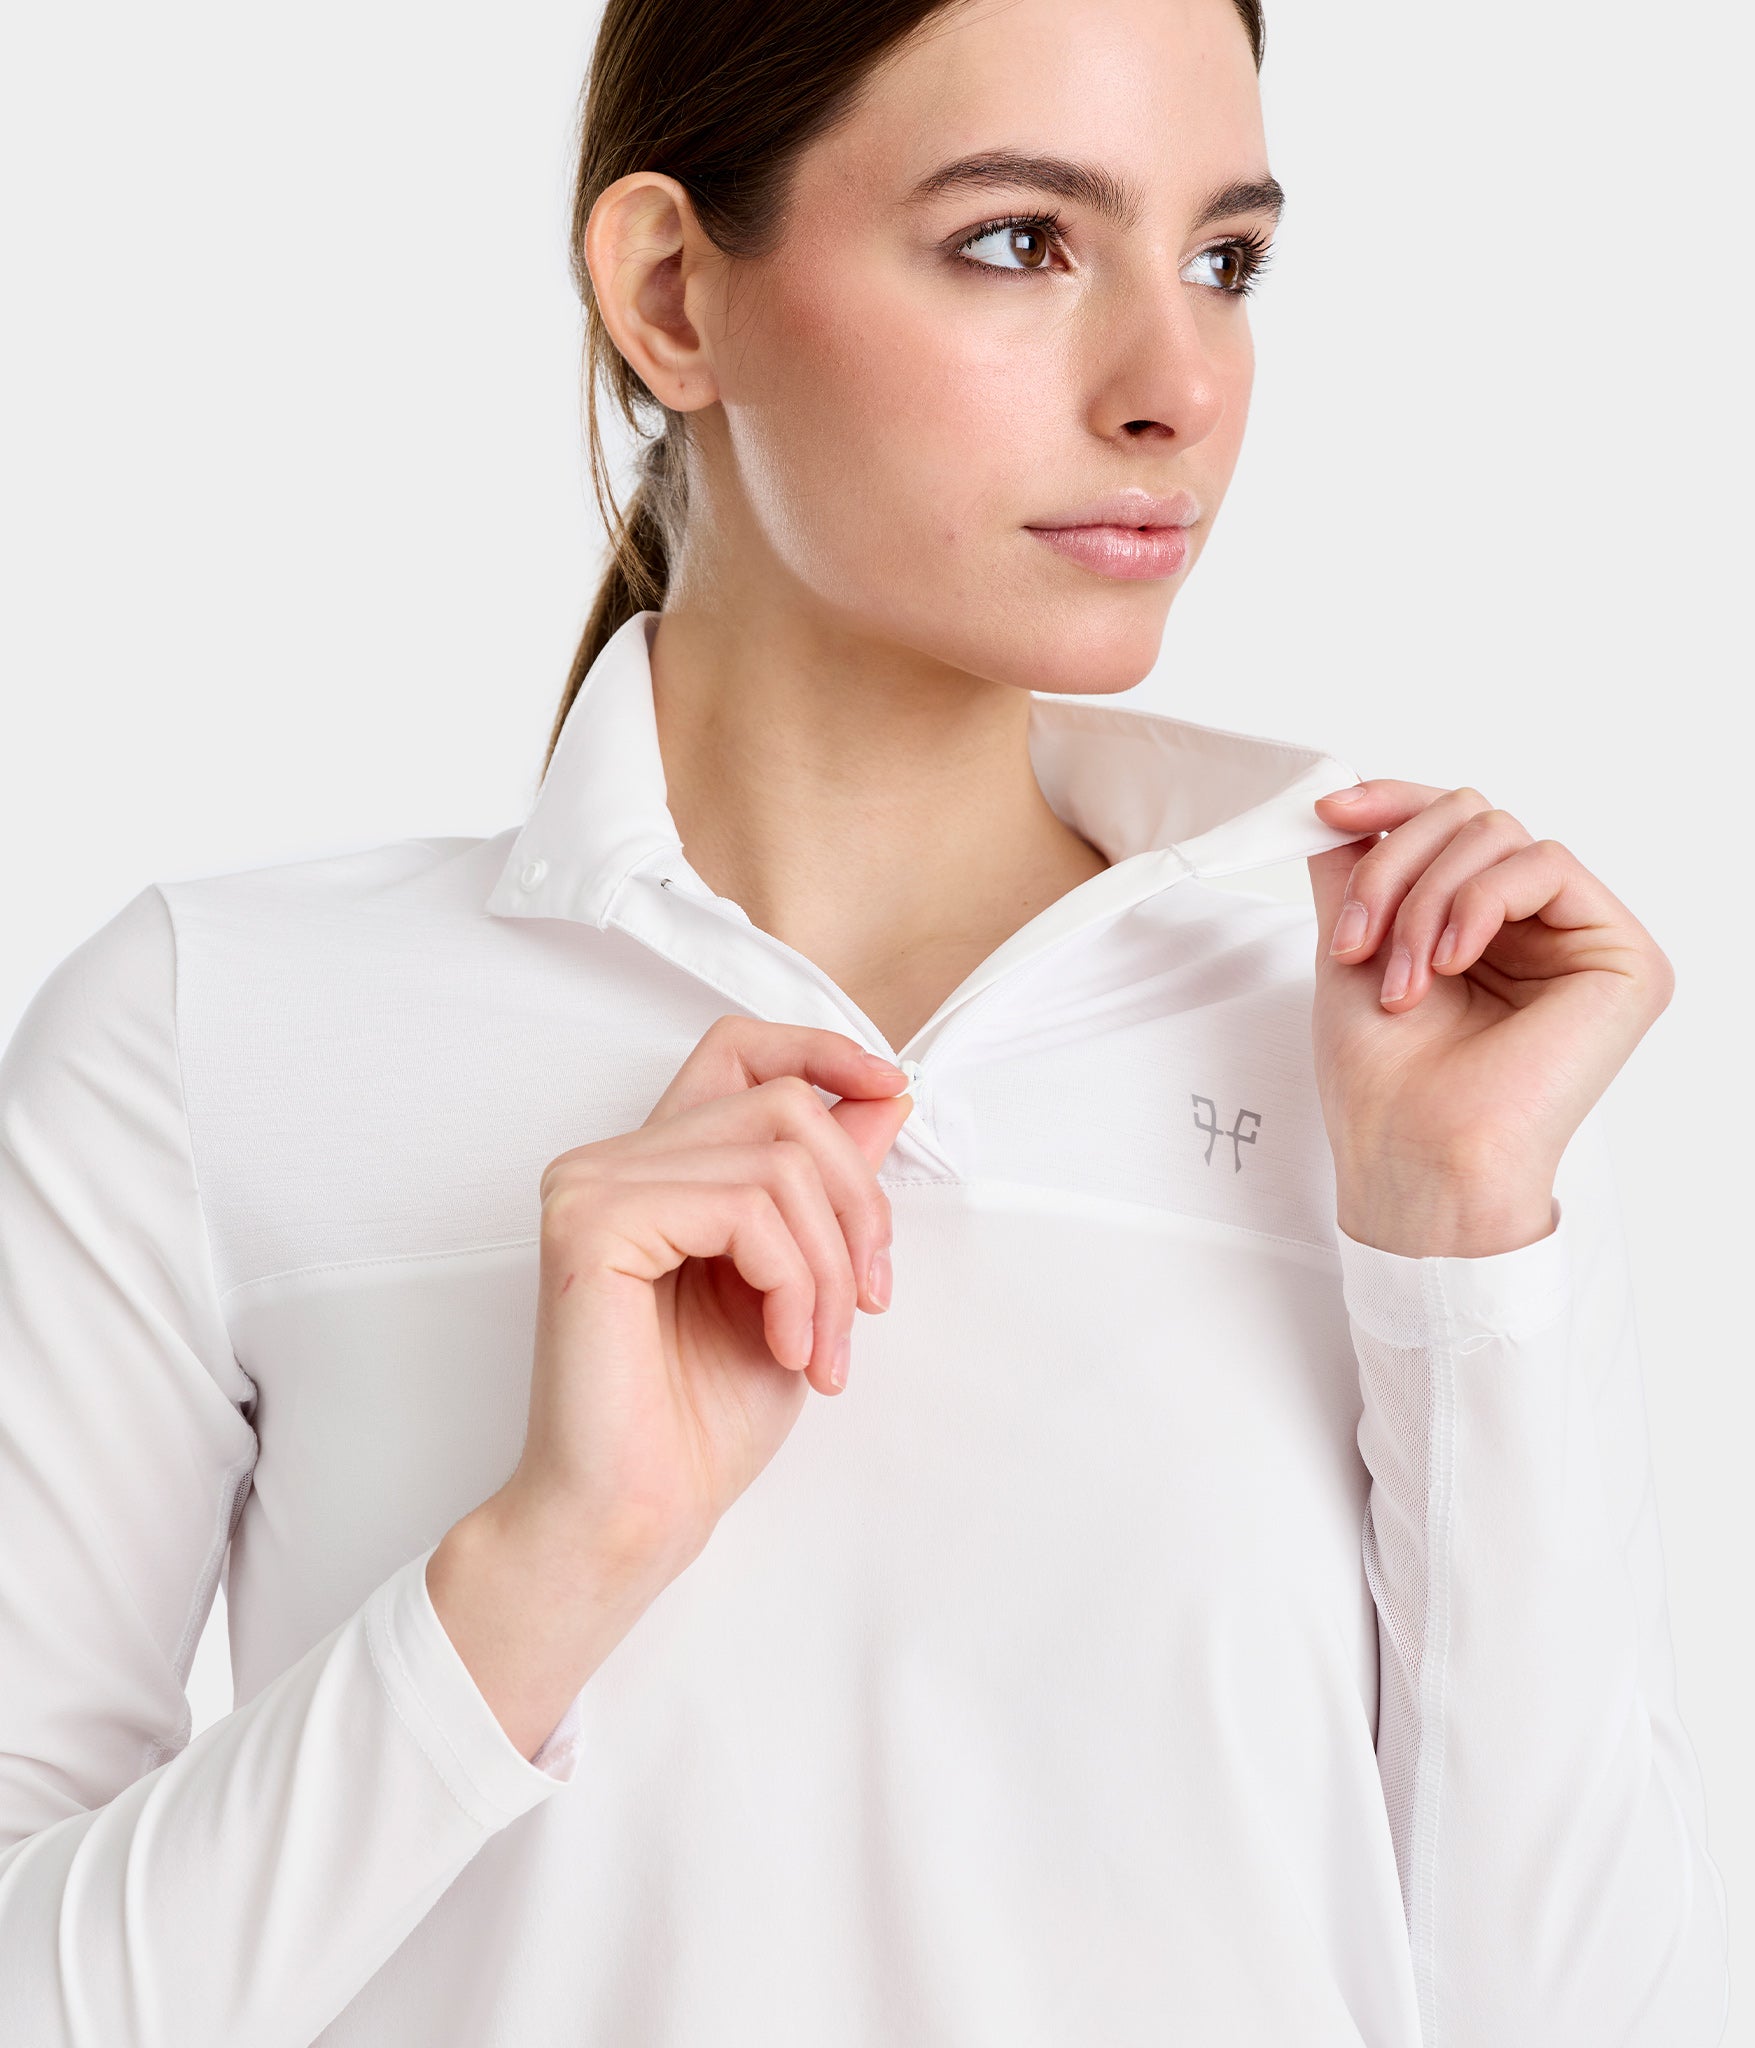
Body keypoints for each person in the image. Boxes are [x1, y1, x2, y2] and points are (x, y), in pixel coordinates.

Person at [0, 0, 1729, 2041]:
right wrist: (549, 1565)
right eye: (1018, 240)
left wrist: (1457, 1249)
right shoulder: (214, 1030)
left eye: (1225, 258)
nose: (1176, 386)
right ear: (670, 292)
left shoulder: (1393, 1059)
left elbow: (1575, 2011)